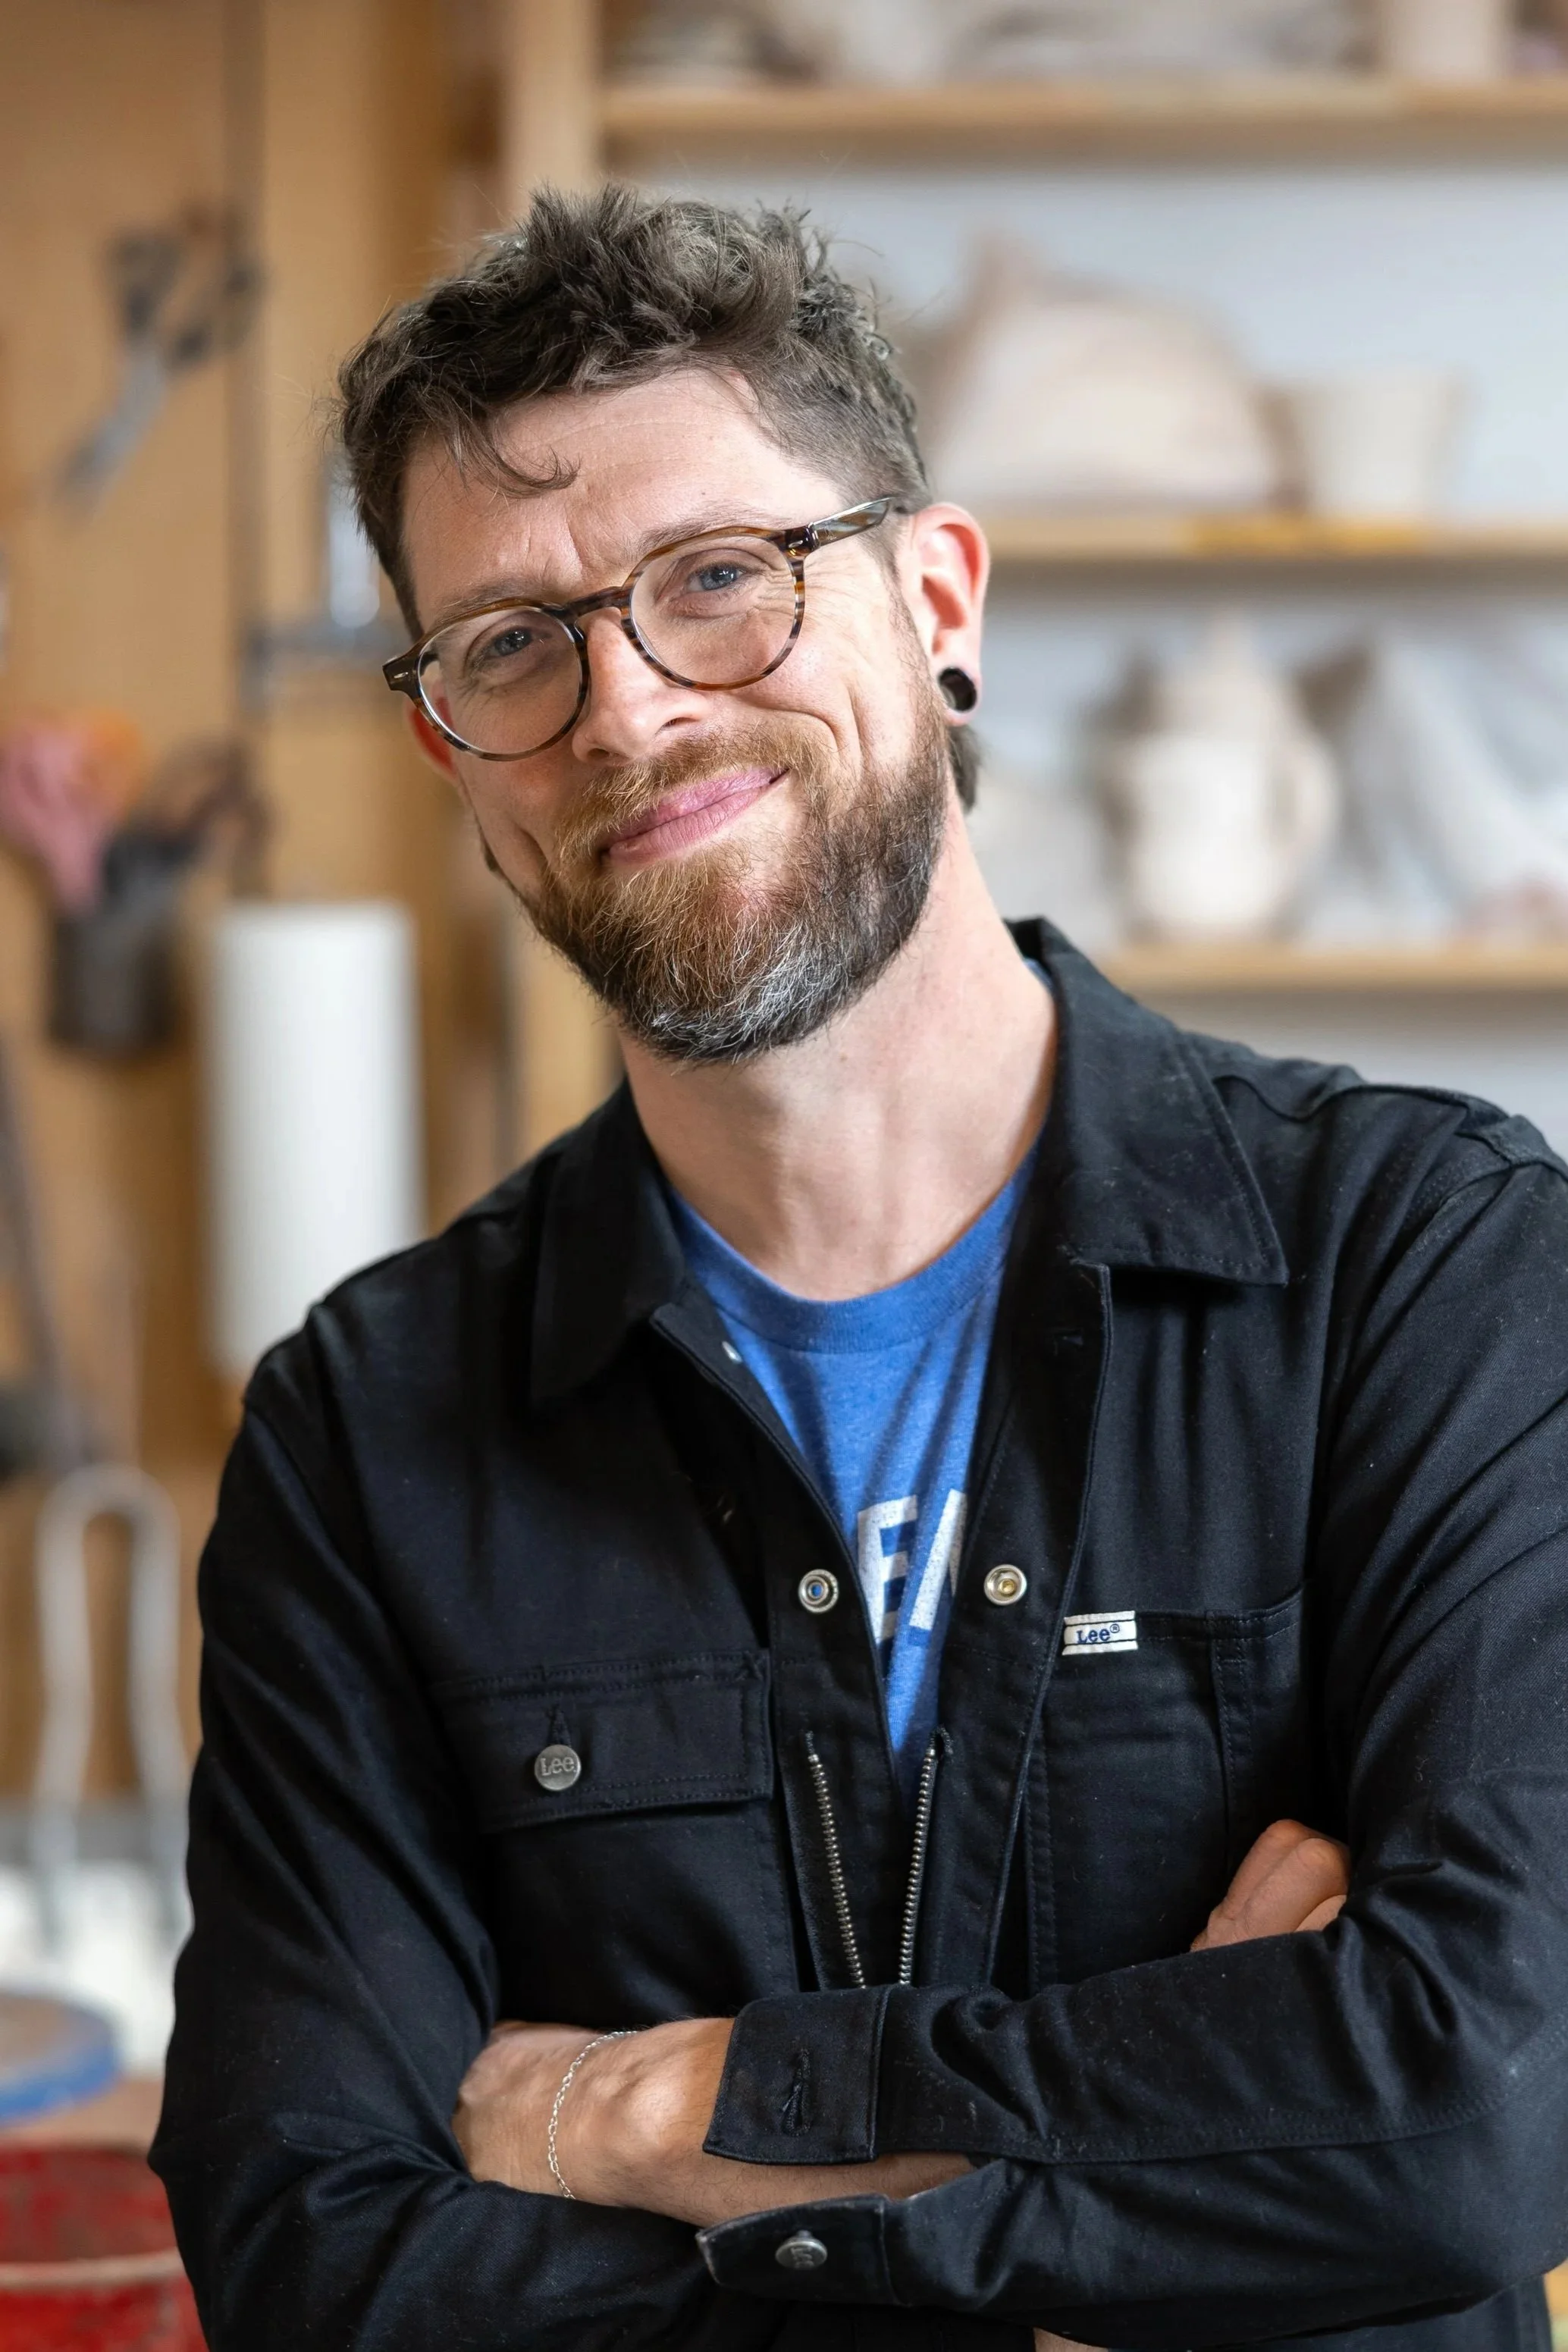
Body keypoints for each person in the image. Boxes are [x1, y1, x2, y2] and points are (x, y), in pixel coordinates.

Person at [152, 187, 1568, 2352]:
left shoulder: (1427, 1259)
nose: (622, 709)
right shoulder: (367, 1431)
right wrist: (1167, 2157)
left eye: (719, 578)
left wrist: (651, 2111)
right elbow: (316, 2263)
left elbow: (1476, 2106)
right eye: (512, 644)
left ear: (938, 597)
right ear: (454, 755)